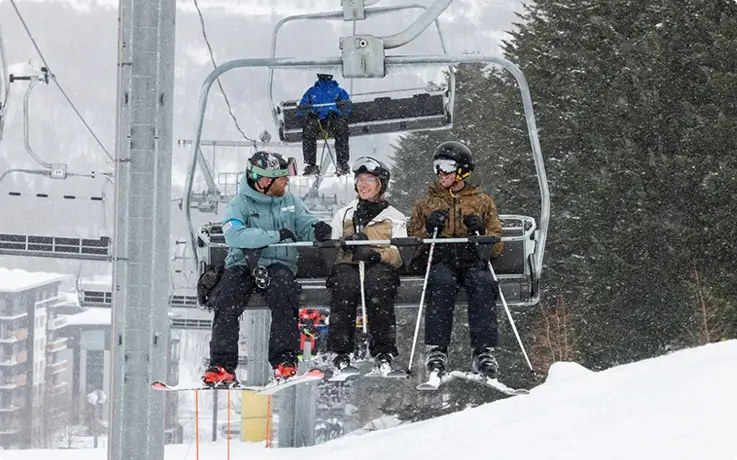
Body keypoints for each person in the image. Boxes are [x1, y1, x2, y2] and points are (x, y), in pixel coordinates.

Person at [203, 151, 333, 386]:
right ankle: (222, 364)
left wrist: (317, 230)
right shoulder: (240, 204)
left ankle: (284, 360)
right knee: (228, 298)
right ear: (264, 181)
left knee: (284, 294)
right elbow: (234, 234)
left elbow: (305, 223)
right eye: (282, 177)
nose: (286, 182)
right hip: (243, 264)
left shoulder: (290, 202)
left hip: (279, 265)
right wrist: (274, 235)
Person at [407, 141, 504, 378]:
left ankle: (483, 351)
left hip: (472, 258)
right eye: (437, 167)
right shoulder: (427, 202)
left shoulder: (481, 201)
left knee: (483, 284)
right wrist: (428, 230)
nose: (441, 173)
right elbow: (413, 240)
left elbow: (497, 244)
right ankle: (437, 350)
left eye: (447, 167)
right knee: (440, 283)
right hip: (442, 257)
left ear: (462, 170)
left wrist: (481, 233)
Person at [325, 156, 407, 375]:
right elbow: (332, 248)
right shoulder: (344, 215)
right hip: (349, 265)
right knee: (345, 284)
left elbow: (399, 254)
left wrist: (374, 255)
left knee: (377, 285)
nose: (362, 184)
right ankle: (341, 350)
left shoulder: (393, 218)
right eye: (359, 179)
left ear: (380, 184)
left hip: (378, 266)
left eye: (369, 179)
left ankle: (383, 350)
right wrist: (344, 245)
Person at [297, 73, 352, 176]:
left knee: (341, 130)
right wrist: (311, 113)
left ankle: (342, 162)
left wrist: (338, 113)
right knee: (308, 132)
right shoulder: (312, 91)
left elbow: (347, 107)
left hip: (333, 118)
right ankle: (311, 164)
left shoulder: (339, 91)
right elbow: (302, 107)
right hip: (318, 118)